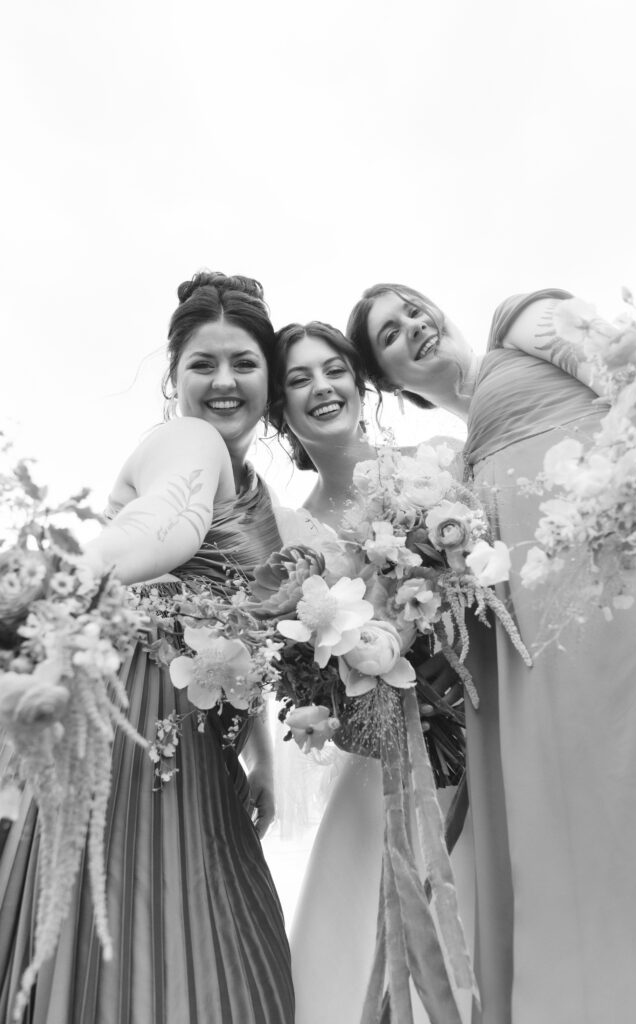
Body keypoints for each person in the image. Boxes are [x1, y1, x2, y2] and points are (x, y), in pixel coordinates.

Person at [347, 284, 636, 1024]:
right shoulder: (447, 468)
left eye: (414, 309)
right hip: (547, 652)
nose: (415, 326)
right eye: (392, 334)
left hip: (631, 585)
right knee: (586, 825)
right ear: (388, 381)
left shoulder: (523, 319)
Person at [0, 272, 295, 1024]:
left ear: (268, 379)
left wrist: (258, 746)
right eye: (202, 364)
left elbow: (232, 626)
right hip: (138, 722)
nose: (223, 382)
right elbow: (167, 525)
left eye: (243, 364)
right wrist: (55, 590)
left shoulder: (252, 488)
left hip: (205, 744)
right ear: (173, 378)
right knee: (153, 946)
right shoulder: (186, 440)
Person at [268, 320, 474, 1024]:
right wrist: (382, 709)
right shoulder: (290, 538)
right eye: (297, 380)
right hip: (384, 759)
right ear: (281, 412)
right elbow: (308, 678)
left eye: (332, 370)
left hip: (484, 732)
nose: (320, 388)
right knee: (355, 943)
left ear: (357, 383)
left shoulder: (436, 463)